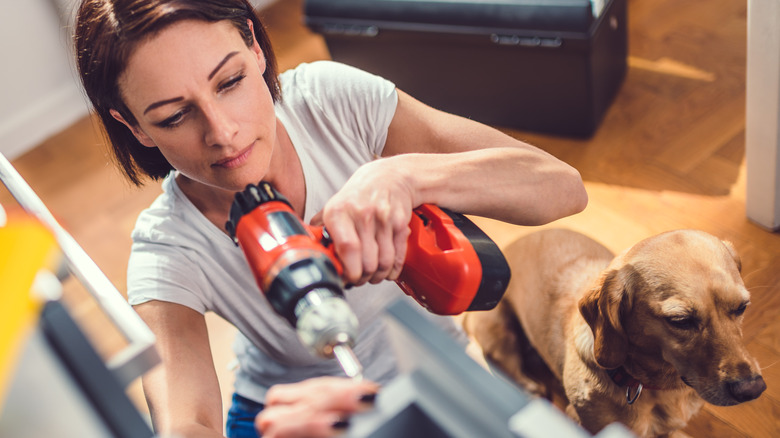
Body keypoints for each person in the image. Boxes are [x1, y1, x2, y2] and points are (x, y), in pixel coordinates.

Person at [73, 0, 588, 437]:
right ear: (133, 125)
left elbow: (561, 188)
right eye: (174, 116)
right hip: (289, 414)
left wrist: (407, 176)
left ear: (255, 47)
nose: (223, 133)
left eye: (229, 81)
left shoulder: (330, 103)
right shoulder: (168, 252)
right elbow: (188, 425)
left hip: (428, 363)